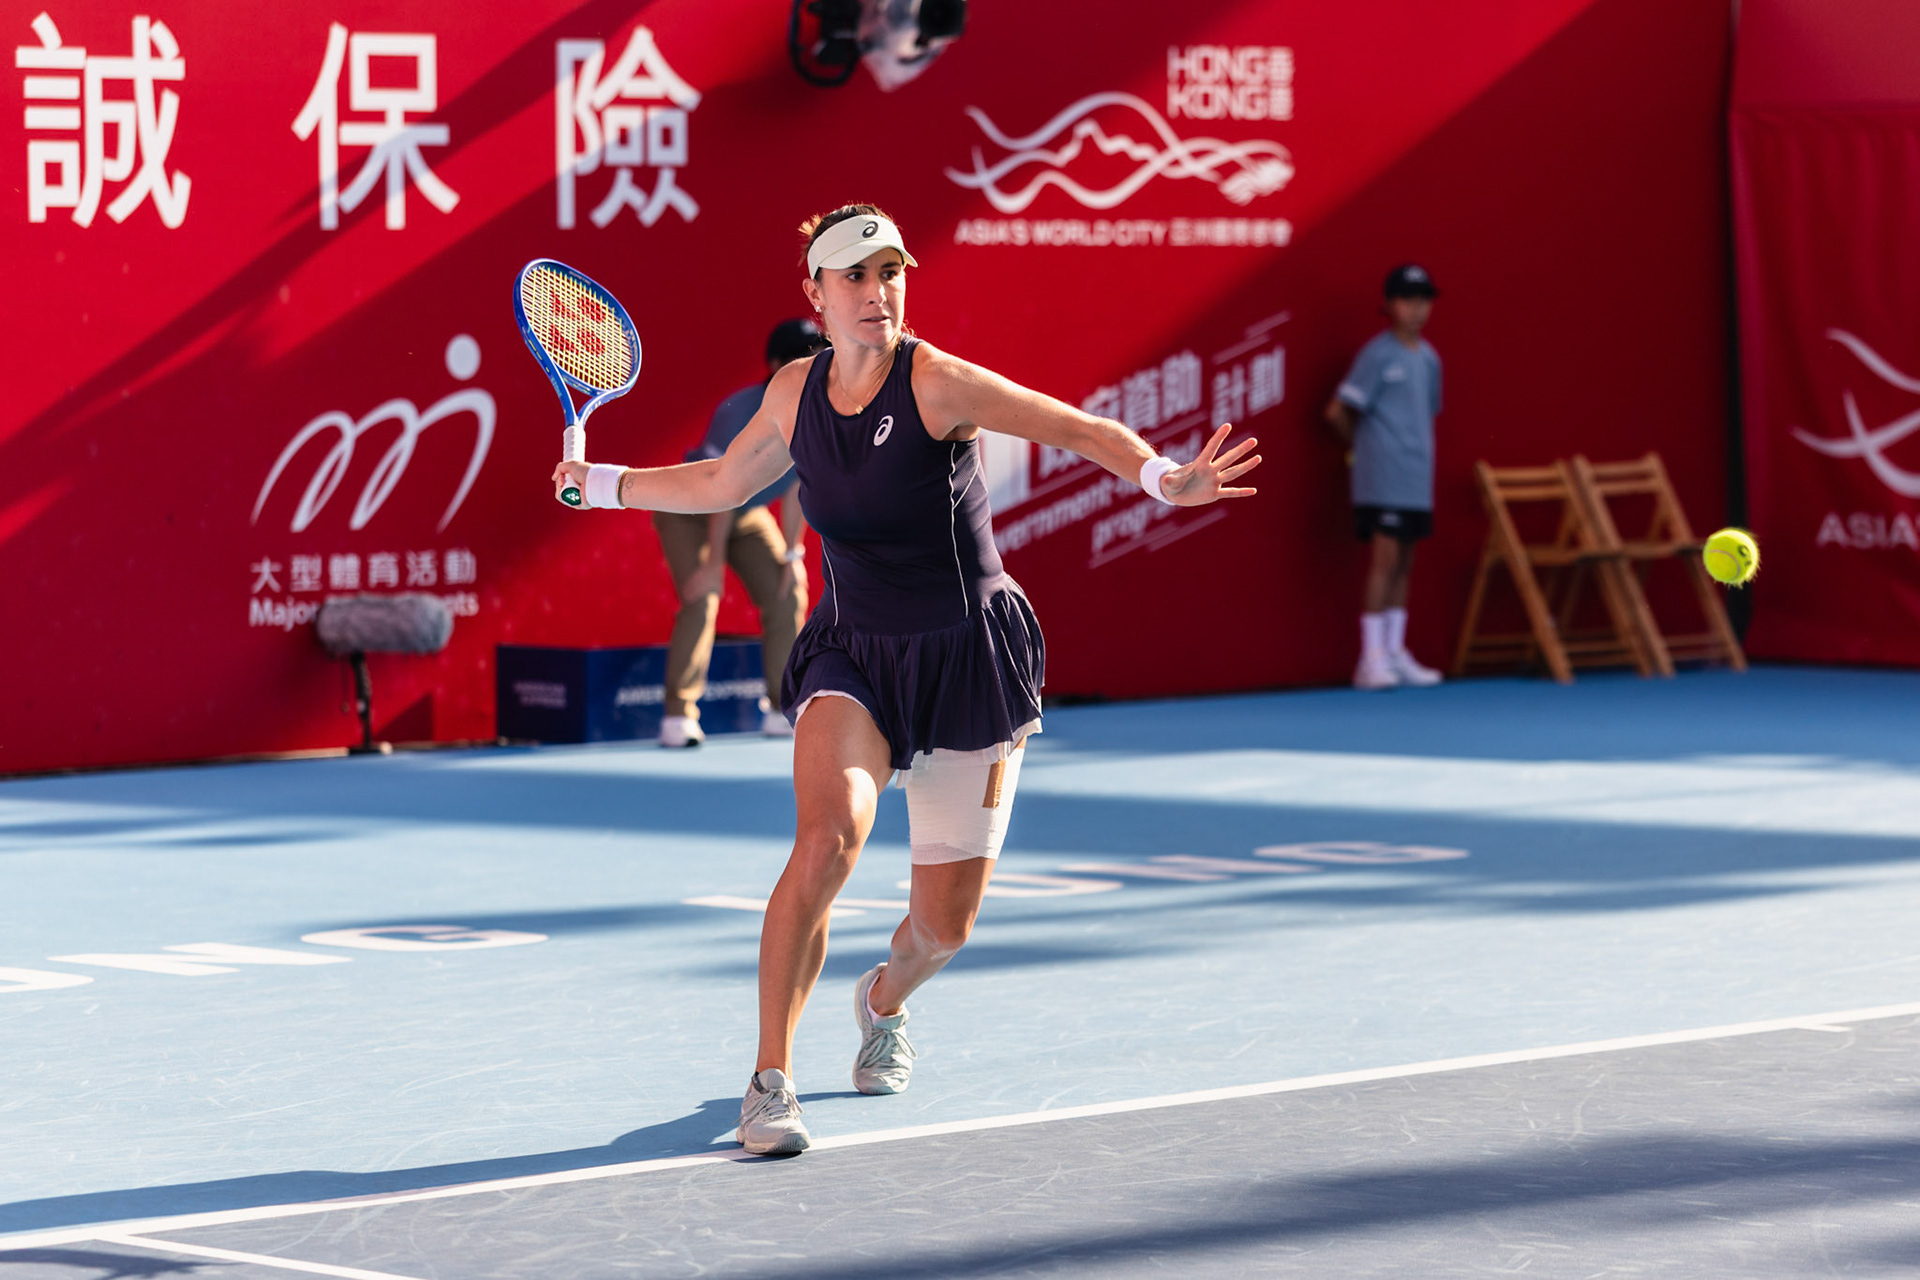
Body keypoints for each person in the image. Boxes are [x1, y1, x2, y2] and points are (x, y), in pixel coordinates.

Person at [554, 203, 1261, 1156]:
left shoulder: (938, 384)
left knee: (943, 929)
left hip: (968, 659)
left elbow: (1083, 429)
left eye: (889, 272)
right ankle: (770, 1084)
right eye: (854, 275)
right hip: (853, 653)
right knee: (829, 837)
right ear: (814, 295)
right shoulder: (792, 393)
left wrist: (1163, 477)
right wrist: (599, 483)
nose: (877, 291)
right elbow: (723, 482)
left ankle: (883, 1001)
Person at [653, 319, 828, 747]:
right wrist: (712, 564)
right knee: (703, 597)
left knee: (788, 592)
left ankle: (781, 706)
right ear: (774, 366)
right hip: (690, 509)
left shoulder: (822, 412)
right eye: (799, 358)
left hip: (745, 516)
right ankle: (678, 716)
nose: (810, 366)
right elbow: (719, 493)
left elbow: (797, 490)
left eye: (817, 357)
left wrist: (791, 557)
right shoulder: (742, 409)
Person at [1324, 263, 1446, 690]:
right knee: (1385, 561)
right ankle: (1370, 658)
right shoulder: (1377, 355)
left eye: (1423, 300)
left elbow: (1425, 414)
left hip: (1416, 478)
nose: (1417, 309)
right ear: (1390, 304)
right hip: (1382, 476)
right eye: (1408, 300)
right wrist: (1359, 448)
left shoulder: (1429, 359)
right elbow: (1338, 412)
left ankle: (1395, 653)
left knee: (1406, 564)